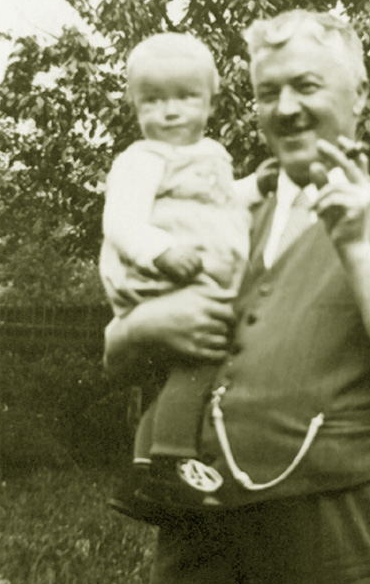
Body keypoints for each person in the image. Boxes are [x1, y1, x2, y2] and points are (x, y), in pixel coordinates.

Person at [105, 11, 370, 584]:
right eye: (267, 92)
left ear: (359, 95)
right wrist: (143, 328)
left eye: (306, 85)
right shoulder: (215, 208)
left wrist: (354, 248)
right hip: (198, 534)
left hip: (334, 547)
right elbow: (118, 357)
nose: (285, 108)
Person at [100, 32, 257, 517]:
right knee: (203, 354)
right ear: (134, 104)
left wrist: (258, 185)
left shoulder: (208, 155)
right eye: (153, 99)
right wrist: (161, 250)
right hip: (160, 277)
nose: (169, 112)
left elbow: (221, 202)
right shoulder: (142, 159)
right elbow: (121, 221)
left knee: (175, 376)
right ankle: (171, 463)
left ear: (211, 102)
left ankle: (142, 471)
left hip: (185, 276)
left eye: (185, 97)